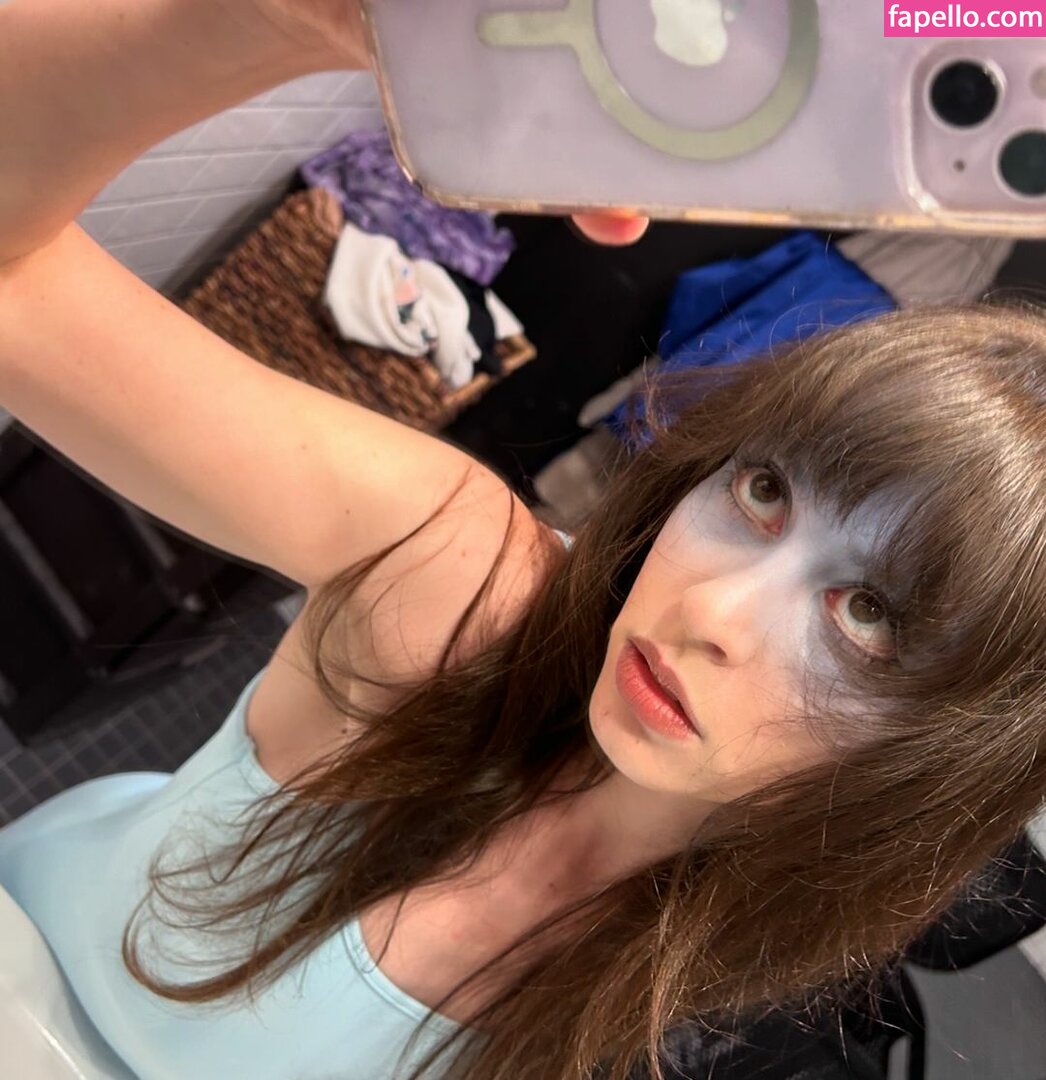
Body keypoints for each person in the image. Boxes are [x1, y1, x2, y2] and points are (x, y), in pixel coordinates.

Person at [1, 3, 1045, 1080]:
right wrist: (289, 15)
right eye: (763, 491)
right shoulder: (453, 592)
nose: (709, 612)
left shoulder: (717, 1026)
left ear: (960, 740)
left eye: (865, 615)